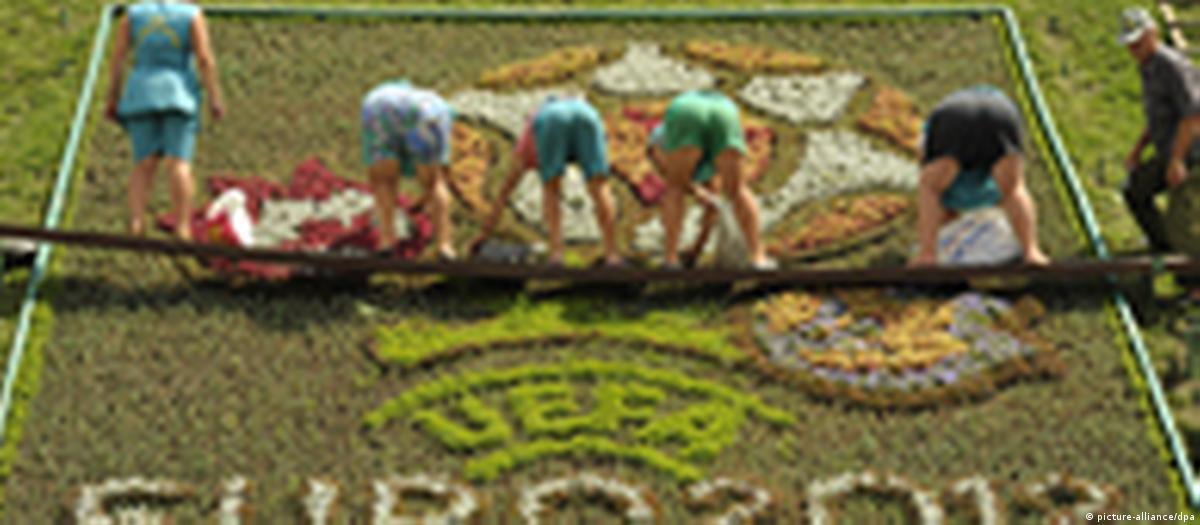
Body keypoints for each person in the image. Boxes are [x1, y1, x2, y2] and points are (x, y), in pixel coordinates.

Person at [105, 0, 224, 241]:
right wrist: (215, 97)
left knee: (143, 163)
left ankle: (136, 223)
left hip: (141, 94)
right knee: (178, 163)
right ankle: (182, 227)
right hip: (179, 95)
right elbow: (204, 59)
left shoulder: (133, 15)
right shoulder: (192, 15)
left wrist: (113, 97)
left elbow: (118, 58)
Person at [470, 95, 621, 267]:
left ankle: (557, 255)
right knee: (599, 186)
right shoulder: (544, 121)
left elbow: (506, 191)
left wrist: (485, 232)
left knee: (551, 188)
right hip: (587, 112)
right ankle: (612, 255)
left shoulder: (528, 140)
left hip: (551, 118)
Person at [910, 85, 1049, 267]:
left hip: (953, 118)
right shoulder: (985, 187)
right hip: (1001, 112)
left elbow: (938, 196)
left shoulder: (932, 142)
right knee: (1013, 189)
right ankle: (1032, 251)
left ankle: (927, 256)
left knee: (931, 189)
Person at [650, 89, 771, 270]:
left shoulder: (661, 141)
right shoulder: (706, 161)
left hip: (685, 111)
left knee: (674, 188)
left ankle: (670, 259)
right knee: (738, 189)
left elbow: (683, 185)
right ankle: (759, 258)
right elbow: (710, 199)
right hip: (723, 109)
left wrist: (696, 248)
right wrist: (697, 191)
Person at [1120, 7, 1200, 253]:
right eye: (1129, 45)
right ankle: (1164, 248)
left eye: (1138, 43)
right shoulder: (1147, 65)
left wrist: (1177, 161)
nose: (1133, 50)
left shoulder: (1172, 66)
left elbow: (1192, 116)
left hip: (1192, 154)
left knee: (1183, 225)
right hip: (1169, 150)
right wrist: (1138, 149)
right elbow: (1158, 115)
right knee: (1135, 190)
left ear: (1152, 34)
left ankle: (1189, 271)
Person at [360, 80, 456, 260]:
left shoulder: (387, 93)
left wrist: (422, 202)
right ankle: (445, 246)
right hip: (429, 113)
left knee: (384, 181)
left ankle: (386, 242)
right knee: (434, 183)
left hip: (378, 108)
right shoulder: (442, 110)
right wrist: (428, 194)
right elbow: (444, 172)